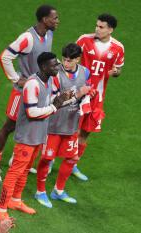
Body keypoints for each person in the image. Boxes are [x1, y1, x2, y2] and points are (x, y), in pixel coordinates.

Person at [0, 52, 72, 220]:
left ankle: (15, 200)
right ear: (44, 67)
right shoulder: (32, 84)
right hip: (26, 137)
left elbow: (47, 100)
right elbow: (31, 112)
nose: (57, 67)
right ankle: (1, 208)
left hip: (38, 135)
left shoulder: (49, 80)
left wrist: (61, 99)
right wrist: (54, 107)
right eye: (54, 65)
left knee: (25, 169)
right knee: (15, 171)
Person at [0, 4, 59, 181]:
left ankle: (15, 159)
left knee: (33, 123)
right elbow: (5, 56)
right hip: (22, 91)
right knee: (10, 126)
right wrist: (16, 78)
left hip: (40, 88)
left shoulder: (49, 34)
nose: (57, 21)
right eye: (54, 18)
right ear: (44, 19)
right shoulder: (28, 38)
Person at [34, 43, 92, 208]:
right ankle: (40, 191)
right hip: (53, 124)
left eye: (69, 60)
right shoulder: (55, 74)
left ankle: (58, 191)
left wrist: (86, 100)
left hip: (71, 124)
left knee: (72, 158)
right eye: (64, 59)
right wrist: (79, 94)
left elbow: (87, 90)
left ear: (77, 59)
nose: (65, 63)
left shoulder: (85, 72)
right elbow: (53, 100)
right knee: (47, 158)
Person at [74, 13, 125, 181]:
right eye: (97, 25)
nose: (97, 29)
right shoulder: (84, 40)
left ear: (110, 30)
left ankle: (73, 163)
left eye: (101, 27)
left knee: (86, 131)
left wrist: (115, 72)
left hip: (98, 97)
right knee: (70, 129)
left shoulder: (118, 48)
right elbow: (70, 59)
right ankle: (51, 161)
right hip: (79, 93)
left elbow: (118, 70)